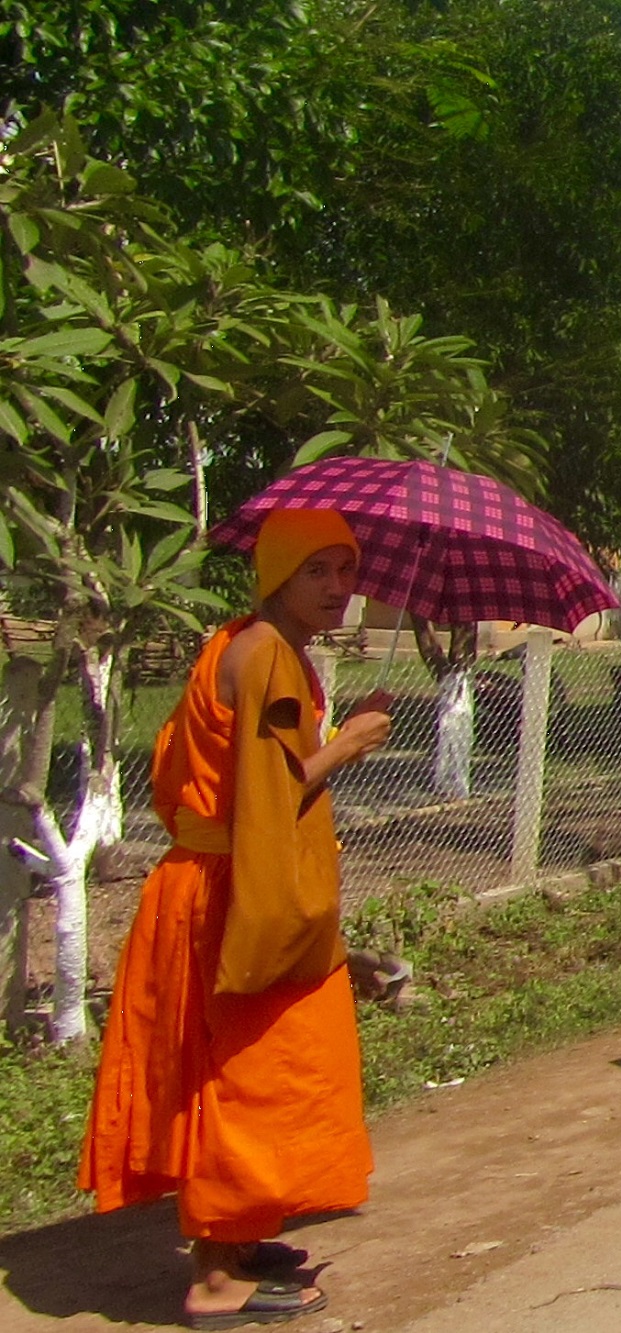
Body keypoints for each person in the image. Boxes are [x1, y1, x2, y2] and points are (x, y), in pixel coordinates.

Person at [78, 509, 390, 1329]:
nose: (336, 589)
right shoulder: (265, 659)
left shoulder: (249, 643)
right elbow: (273, 794)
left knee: (231, 1060)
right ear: (277, 577)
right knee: (243, 1069)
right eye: (316, 571)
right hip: (233, 889)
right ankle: (215, 1278)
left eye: (345, 571)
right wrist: (352, 741)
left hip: (211, 877)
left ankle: (238, 1237)